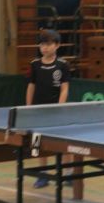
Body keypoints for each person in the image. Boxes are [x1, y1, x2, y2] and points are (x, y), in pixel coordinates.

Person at [26, 29, 71, 188]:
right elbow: (31, 86)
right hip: (38, 112)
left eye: (48, 44)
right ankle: (42, 174)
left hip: (56, 112)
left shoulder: (62, 65)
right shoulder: (35, 64)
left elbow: (64, 88)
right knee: (37, 144)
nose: (44, 47)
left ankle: (68, 174)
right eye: (42, 44)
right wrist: (28, 107)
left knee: (63, 143)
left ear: (57, 45)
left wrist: (59, 107)